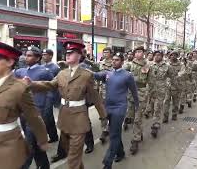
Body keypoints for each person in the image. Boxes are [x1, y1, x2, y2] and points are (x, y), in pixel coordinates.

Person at [24, 41, 107, 169]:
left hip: (79, 119)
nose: (67, 55)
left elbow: (95, 97)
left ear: (79, 56)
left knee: (73, 158)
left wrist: (103, 117)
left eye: (71, 53)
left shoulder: (86, 75)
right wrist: (32, 84)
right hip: (64, 119)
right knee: (71, 154)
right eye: (66, 53)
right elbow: (50, 85)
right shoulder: (62, 74)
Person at [93, 53, 139, 169]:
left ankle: (107, 162)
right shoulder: (107, 73)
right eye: (113, 60)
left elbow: (134, 92)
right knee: (116, 133)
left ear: (122, 62)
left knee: (113, 134)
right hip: (108, 107)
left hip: (120, 108)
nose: (114, 62)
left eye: (117, 60)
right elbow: (94, 75)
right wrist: (81, 67)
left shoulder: (127, 76)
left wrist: (137, 107)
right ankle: (120, 153)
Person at [14, 47, 55, 169]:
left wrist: (46, 111)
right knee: (36, 144)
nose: (26, 57)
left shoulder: (45, 72)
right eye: (26, 55)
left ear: (38, 58)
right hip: (23, 113)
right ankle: (44, 166)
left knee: (29, 144)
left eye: (30, 55)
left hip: (37, 112)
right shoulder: (20, 72)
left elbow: (51, 90)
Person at [126, 46, 148, 155]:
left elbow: (148, 81)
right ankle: (139, 133)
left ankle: (135, 140)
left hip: (141, 94)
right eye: (136, 52)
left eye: (140, 51)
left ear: (144, 53)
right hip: (130, 94)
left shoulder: (148, 65)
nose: (138, 53)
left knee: (137, 118)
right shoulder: (129, 64)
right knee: (131, 117)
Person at [163, 51, 184, 122]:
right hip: (168, 86)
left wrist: (177, 76)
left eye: (175, 55)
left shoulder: (181, 65)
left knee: (175, 102)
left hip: (177, 86)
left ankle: (174, 115)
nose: (173, 56)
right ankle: (165, 117)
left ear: (177, 56)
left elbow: (182, 72)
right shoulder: (167, 64)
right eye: (172, 55)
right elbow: (164, 73)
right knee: (166, 101)